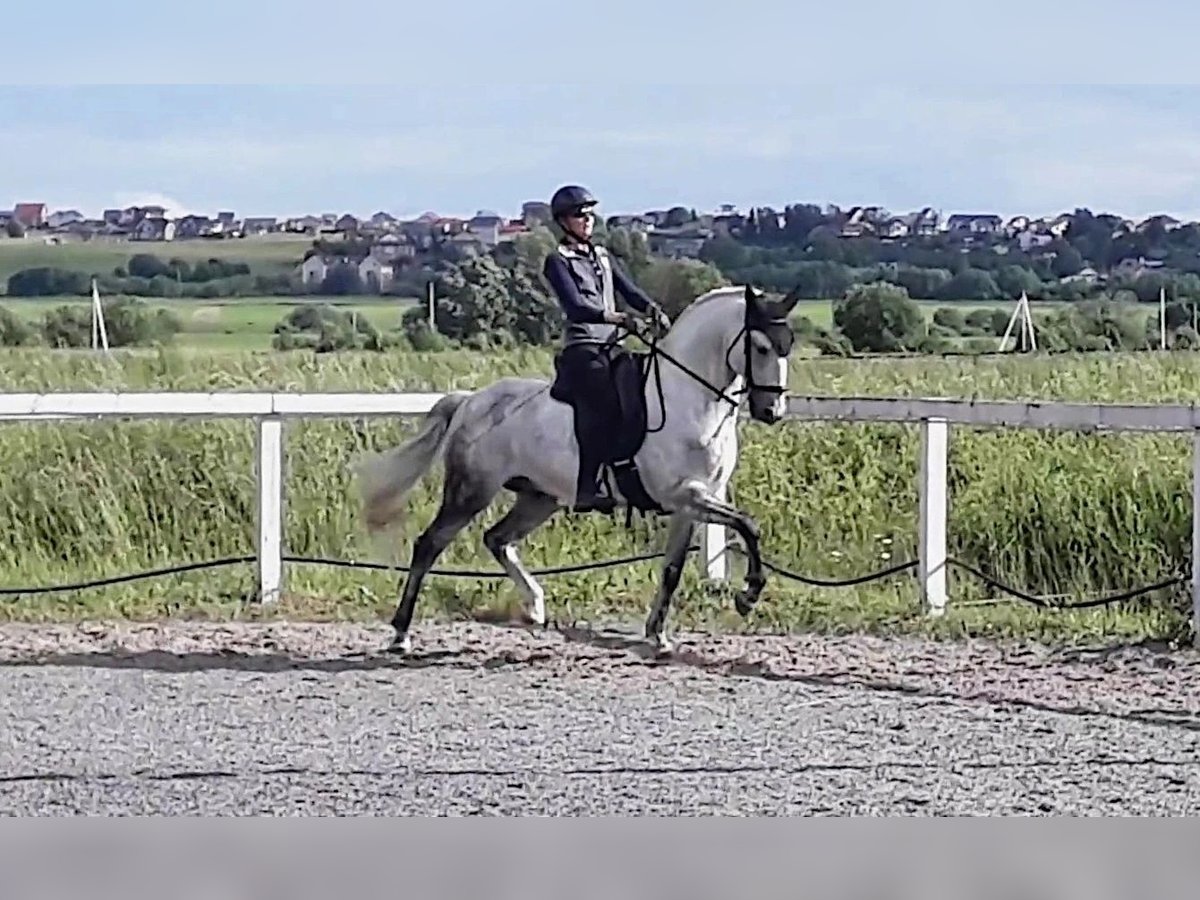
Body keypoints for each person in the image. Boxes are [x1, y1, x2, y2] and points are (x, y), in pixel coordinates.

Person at [542, 184, 671, 513]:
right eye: (578, 215)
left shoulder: (602, 256)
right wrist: (616, 317)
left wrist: (653, 309)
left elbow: (631, 291)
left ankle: (633, 467)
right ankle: (588, 485)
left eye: (589, 214)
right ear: (563, 222)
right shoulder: (557, 261)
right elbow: (575, 306)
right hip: (583, 347)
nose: (587, 220)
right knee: (601, 398)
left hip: (614, 346)